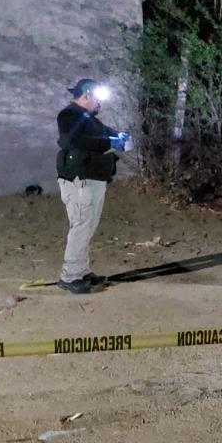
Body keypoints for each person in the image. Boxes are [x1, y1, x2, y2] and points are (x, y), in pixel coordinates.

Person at [55, 78, 129, 294]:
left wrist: (118, 137)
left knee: (88, 225)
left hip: (92, 178)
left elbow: (104, 134)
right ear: (86, 95)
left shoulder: (88, 119)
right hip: (80, 179)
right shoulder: (69, 115)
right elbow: (78, 140)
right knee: (81, 225)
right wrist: (110, 142)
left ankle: (81, 271)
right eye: (97, 98)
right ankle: (70, 276)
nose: (100, 104)